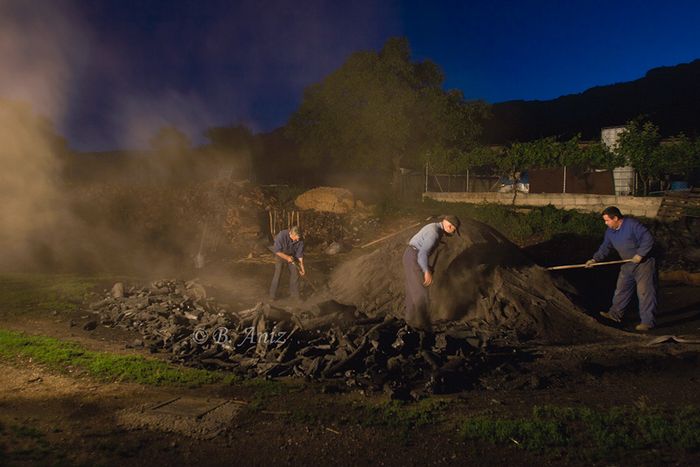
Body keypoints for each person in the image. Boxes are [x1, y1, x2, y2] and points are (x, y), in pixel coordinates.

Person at [586, 206, 657, 331]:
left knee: (644, 293)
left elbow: (648, 239)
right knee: (621, 290)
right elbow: (605, 247)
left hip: (643, 264)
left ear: (616, 218)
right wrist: (594, 259)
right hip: (627, 264)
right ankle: (615, 315)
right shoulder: (610, 232)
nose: (606, 223)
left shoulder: (632, 225)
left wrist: (640, 254)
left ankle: (647, 322)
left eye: (607, 220)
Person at [403, 215, 460, 329]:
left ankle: (409, 321)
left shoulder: (433, 227)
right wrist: (426, 271)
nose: (452, 233)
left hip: (409, 255)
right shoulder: (434, 233)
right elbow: (422, 254)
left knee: (412, 290)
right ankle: (422, 325)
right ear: (449, 225)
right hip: (414, 256)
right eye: (453, 230)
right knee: (421, 292)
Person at [269, 226, 305, 300]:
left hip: (292, 256)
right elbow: (277, 251)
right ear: (291, 234)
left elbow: (300, 256)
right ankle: (272, 296)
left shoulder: (300, 240)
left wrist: (302, 268)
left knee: (295, 273)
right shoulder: (282, 235)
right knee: (278, 274)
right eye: (296, 238)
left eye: (299, 238)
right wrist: (287, 258)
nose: (298, 239)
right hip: (280, 255)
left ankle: (295, 296)